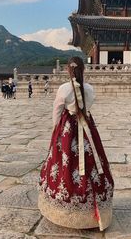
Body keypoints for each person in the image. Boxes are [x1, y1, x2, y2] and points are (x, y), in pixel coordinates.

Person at [38, 56, 114, 231]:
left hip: (68, 128)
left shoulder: (64, 89)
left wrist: (56, 129)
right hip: (86, 126)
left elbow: (57, 109)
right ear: (83, 70)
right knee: (93, 159)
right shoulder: (89, 88)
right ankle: (94, 209)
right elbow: (88, 105)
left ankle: (65, 206)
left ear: (68, 70)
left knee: (64, 159)